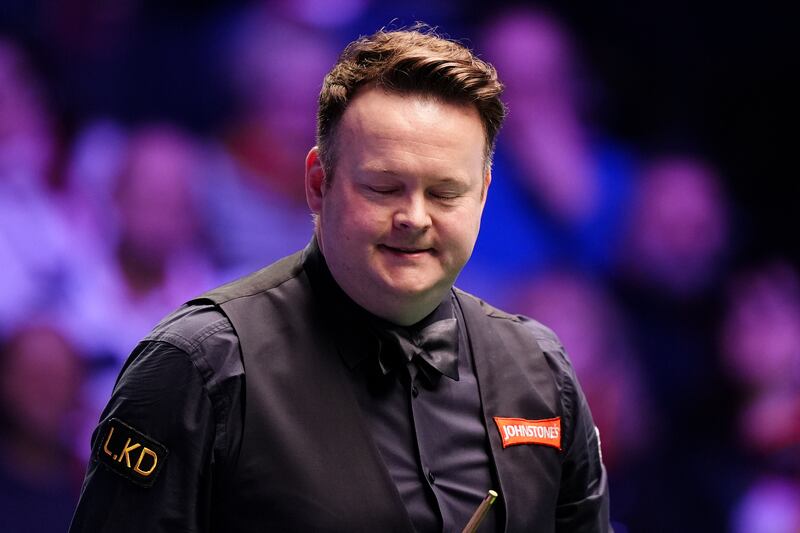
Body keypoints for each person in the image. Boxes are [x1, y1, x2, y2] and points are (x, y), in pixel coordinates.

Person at [69, 27, 610, 532]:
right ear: (318, 184)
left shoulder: (541, 373)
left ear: (484, 195)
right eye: (383, 187)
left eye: (446, 193)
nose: (415, 218)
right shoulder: (196, 367)